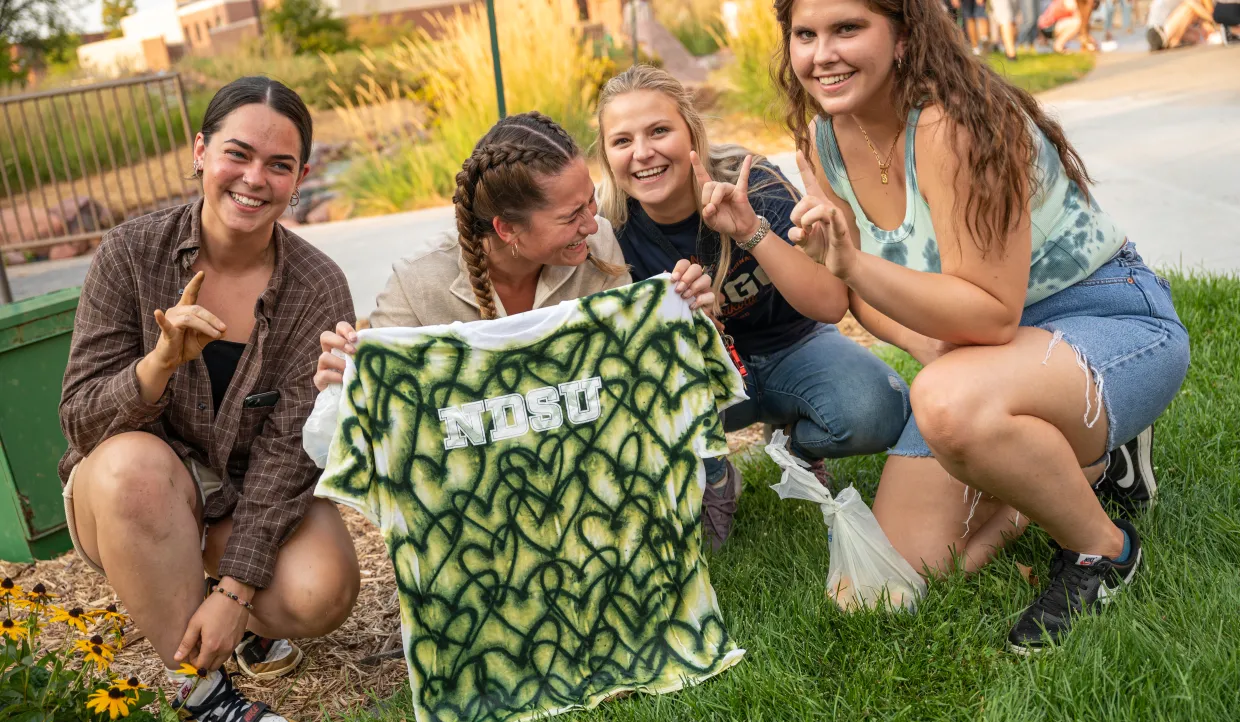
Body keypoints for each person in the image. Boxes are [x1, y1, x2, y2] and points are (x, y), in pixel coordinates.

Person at [769, 0, 1189, 651]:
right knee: (875, 591)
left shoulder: (954, 124)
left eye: (847, 29)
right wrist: (916, 335)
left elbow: (991, 315)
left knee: (946, 400)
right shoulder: (824, 140)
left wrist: (855, 264)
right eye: (806, 34)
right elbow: (855, 292)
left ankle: (1101, 548)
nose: (823, 53)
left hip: (1103, 320)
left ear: (903, 35)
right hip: (981, 358)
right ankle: (1074, 468)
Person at [58, 77, 360, 722]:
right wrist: (158, 363)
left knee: (323, 590)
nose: (255, 179)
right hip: (129, 494)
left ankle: (231, 619)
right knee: (133, 467)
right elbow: (78, 416)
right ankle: (205, 698)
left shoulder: (316, 285)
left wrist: (235, 593)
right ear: (200, 151)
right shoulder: (131, 252)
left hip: (239, 492)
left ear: (301, 177)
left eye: (279, 165)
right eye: (237, 153)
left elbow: (291, 452)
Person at [594, 65, 910, 550]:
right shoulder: (609, 228)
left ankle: (796, 443)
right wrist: (686, 318)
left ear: (691, 131)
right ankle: (715, 472)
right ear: (606, 154)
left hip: (792, 348)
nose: (643, 153)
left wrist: (749, 231)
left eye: (660, 130)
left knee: (877, 409)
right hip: (699, 385)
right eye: (622, 141)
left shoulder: (750, 180)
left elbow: (829, 304)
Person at [312, 111, 717, 403]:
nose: (592, 225)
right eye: (570, 216)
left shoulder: (598, 244)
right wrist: (347, 376)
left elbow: (636, 371)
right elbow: (382, 407)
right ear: (507, 229)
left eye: (590, 202)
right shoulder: (418, 285)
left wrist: (687, 314)